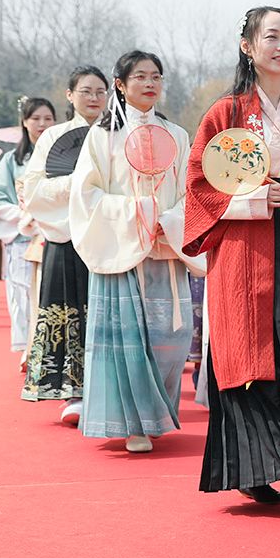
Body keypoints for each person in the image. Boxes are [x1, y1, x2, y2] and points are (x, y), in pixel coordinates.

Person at [184, 8, 280, 512]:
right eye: (271, 37)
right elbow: (198, 188)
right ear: (247, 46)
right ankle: (258, 469)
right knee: (254, 350)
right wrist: (252, 199)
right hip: (245, 244)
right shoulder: (224, 113)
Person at [72, 50, 201, 454]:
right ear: (121, 85)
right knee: (127, 341)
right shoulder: (103, 136)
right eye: (140, 76)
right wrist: (138, 213)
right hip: (122, 251)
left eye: (156, 76)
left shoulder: (177, 134)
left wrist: (171, 219)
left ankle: (157, 413)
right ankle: (135, 425)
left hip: (166, 246)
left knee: (172, 337)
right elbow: (86, 195)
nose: (149, 83)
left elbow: (191, 193)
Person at [21, 66, 107, 421]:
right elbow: (34, 191)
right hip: (66, 236)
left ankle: (108, 390)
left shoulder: (116, 133)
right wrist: (78, 183)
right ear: (70, 95)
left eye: (100, 91)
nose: (94, 98)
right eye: (86, 91)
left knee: (105, 315)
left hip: (108, 237)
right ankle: (72, 391)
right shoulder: (53, 137)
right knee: (68, 313)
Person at [0, 96, 57, 354]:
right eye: (36, 118)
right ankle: (29, 351)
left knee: (52, 294)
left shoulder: (65, 156)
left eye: (48, 118)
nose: (42, 124)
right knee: (23, 296)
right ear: (24, 122)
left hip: (57, 236)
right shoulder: (12, 160)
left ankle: (52, 351)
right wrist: (23, 216)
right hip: (25, 237)